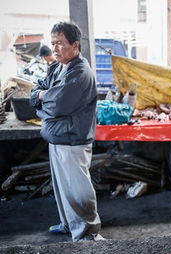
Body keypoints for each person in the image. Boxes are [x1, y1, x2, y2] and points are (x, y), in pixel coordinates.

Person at [30, 22, 102, 242]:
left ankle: (87, 233)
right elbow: (36, 91)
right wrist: (41, 97)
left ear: (75, 45)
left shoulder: (80, 72)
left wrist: (43, 100)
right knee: (62, 188)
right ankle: (69, 224)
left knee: (77, 189)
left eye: (60, 43)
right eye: (53, 44)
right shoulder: (57, 67)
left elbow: (56, 105)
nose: (55, 48)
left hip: (72, 139)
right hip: (57, 137)